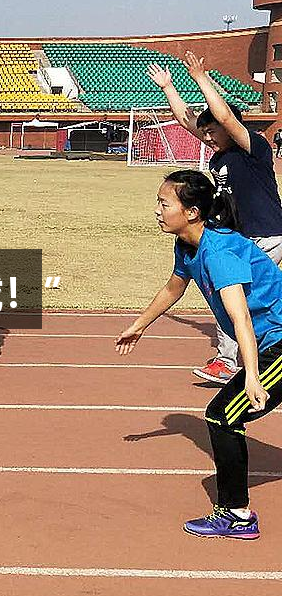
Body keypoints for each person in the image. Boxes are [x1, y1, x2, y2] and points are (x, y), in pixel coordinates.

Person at [116, 170, 282, 540]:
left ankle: (238, 516)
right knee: (224, 416)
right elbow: (173, 288)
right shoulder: (188, 245)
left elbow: (240, 319)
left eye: (164, 204)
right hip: (269, 342)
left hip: (279, 344)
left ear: (191, 212)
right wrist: (139, 325)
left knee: (223, 416)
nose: (157, 210)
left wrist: (251, 376)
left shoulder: (220, 253)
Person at [149, 53, 282, 385]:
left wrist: (200, 77)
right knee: (241, 294)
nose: (206, 138)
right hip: (239, 237)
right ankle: (247, 355)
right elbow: (186, 120)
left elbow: (222, 114)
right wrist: (168, 88)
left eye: (212, 132)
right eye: (205, 133)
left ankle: (228, 361)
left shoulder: (252, 148)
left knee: (230, 290)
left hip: (266, 234)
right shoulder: (219, 154)